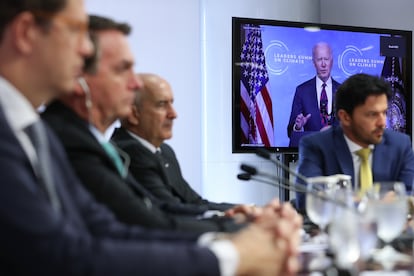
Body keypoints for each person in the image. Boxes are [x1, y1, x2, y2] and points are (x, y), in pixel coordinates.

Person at [0, 1, 302, 275]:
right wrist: (233, 254)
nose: (84, 49)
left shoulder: (33, 130)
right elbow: (59, 255)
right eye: (76, 30)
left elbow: (105, 228)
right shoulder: (48, 133)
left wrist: (232, 240)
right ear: (26, 32)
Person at [111, 73, 237, 213]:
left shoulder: (164, 151)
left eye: (172, 103)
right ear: (134, 114)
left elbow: (195, 203)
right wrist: (233, 219)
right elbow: (172, 211)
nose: (173, 114)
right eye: (161, 105)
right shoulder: (130, 152)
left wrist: (246, 210)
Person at [295, 73, 414, 211]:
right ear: (345, 117)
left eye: (384, 113)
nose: (382, 122)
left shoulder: (400, 144)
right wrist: (374, 203)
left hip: (388, 230)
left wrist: (341, 199)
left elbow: (407, 198)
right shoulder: (316, 146)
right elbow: (307, 201)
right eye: (372, 114)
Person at [287, 42, 341, 146]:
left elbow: (351, 127)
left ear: (332, 61)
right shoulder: (302, 91)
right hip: (311, 154)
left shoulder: (343, 91)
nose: (323, 64)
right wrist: (298, 127)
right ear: (313, 63)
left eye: (326, 59)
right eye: (319, 59)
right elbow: (291, 132)